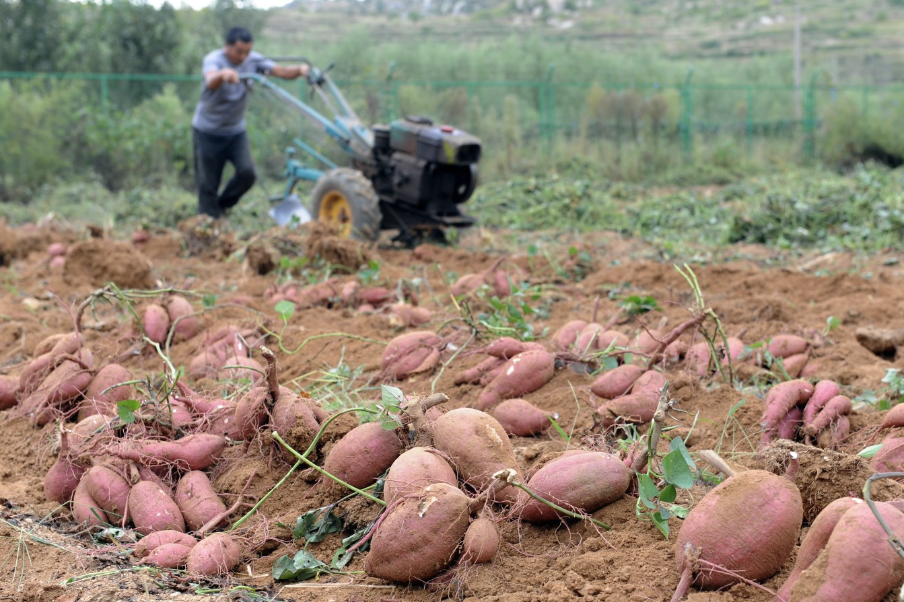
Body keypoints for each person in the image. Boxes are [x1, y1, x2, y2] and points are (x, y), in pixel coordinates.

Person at [192, 27, 309, 218]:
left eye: (247, 51)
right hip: (208, 132)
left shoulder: (252, 60)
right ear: (227, 47)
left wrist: (300, 70)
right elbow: (210, 78)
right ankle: (208, 221)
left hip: (235, 132)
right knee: (207, 183)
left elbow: (280, 71)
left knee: (247, 173)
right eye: (239, 51)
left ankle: (221, 207)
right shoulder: (213, 59)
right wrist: (223, 74)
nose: (243, 56)